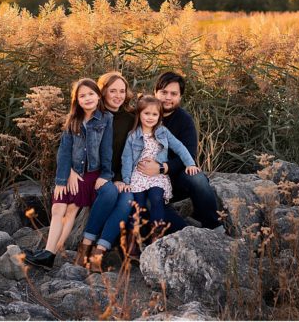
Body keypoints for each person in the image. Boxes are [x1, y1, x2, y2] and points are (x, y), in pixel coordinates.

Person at [25, 79, 113, 270]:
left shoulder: (106, 119)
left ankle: (51, 253)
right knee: (57, 209)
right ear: (77, 100)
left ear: (98, 96)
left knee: (71, 209)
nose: (87, 98)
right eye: (82, 96)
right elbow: (64, 151)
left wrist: (106, 174)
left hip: (89, 174)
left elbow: (106, 149)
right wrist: (63, 178)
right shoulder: (73, 120)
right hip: (69, 172)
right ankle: (47, 253)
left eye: (91, 94)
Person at [130, 71, 220, 233]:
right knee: (150, 202)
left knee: (197, 178)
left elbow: (189, 154)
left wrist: (162, 168)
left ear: (180, 97)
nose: (168, 98)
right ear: (155, 92)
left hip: (175, 178)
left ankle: (213, 226)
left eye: (173, 94)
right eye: (164, 92)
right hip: (146, 179)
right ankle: (188, 233)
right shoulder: (141, 115)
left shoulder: (184, 120)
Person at [116, 94, 200, 242]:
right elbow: (126, 159)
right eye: (146, 113)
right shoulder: (133, 135)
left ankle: (157, 234)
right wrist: (127, 180)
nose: (150, 117)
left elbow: (180, 147)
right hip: (138, 175)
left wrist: (190, 163)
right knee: (138, 205)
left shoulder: (163, 132)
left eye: (154, 114)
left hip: (157, 175)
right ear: (139, 114)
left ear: (159, 116)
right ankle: (134, 239)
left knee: (156, 198)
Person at [74, 71, 136, 270]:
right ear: (102, 92)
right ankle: (84, 247)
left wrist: (120, 178)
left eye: (122, 91)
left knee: (127, 199)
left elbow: (131, 152)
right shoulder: (93, 116)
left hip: (120, 176)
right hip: (94, 174)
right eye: (113, 91)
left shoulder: (131, 119)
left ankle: (98, 253)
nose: (118, 96)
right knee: (109, 192)